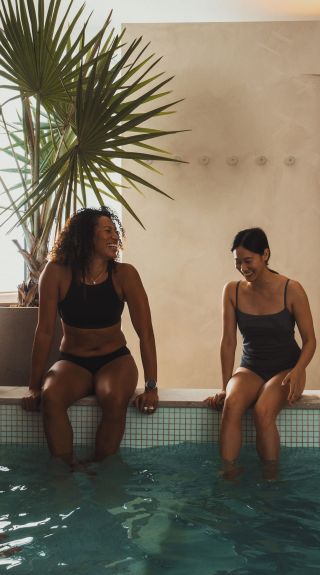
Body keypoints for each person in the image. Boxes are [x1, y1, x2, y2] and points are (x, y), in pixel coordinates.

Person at [22, 206, 158, 465]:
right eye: (107, 230)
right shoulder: (56, 272)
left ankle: (100, 470)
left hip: (115, 360)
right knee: (51, 398)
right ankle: (65, 470)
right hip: (73, 362)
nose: (115, 237)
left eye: (115, 231)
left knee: (114, 397)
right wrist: (33, 386)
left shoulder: (125, 274)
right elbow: (44, 332)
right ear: (86, 236)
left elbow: (146, 332)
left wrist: (152, 386)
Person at [206, 227, 316, 470]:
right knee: (232, 404)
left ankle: (270, 482)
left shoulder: (292, 289)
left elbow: (310, 340)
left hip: (287, 369)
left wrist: (299, 370)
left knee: (262, 411)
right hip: (251, 367)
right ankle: (228, 479)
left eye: (248, 261)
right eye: (238, 262)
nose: (243, 268)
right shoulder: (232, 290)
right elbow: (228, 341)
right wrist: (225, 387)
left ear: (265, 254)